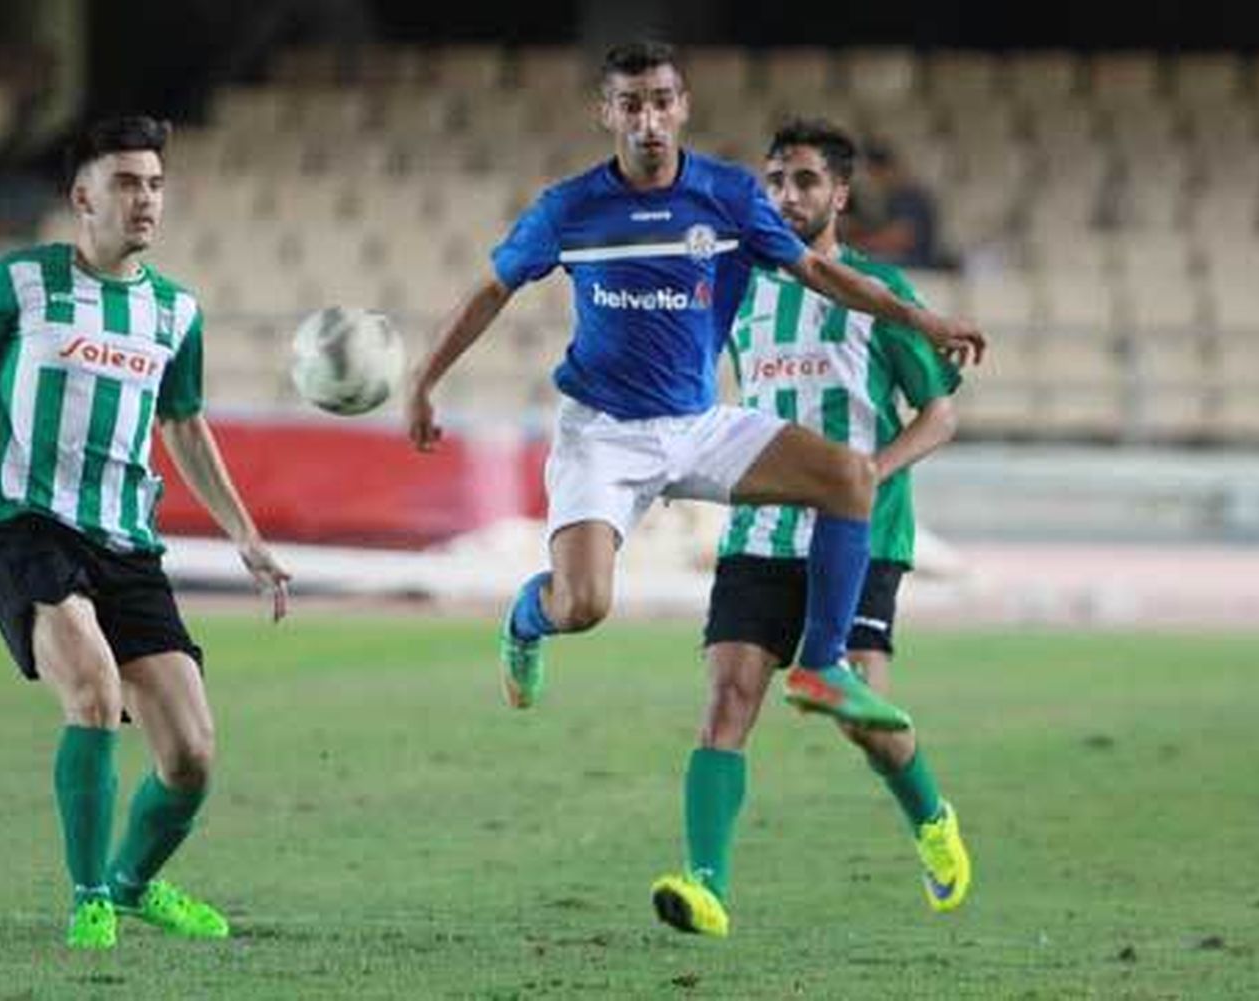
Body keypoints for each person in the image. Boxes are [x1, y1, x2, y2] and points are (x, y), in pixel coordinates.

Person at [405, 43, 984, 734]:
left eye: (659, 101)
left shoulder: (729, 195)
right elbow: (491, 290)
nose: (647, 118)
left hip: (697, 423)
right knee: (583, 605)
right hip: (604, 432)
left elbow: (820, 272)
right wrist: (423, 381)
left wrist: (919, 317)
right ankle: (527, 619)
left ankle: (822, 666)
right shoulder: (571, 208)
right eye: (631, 103)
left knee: (850, 478)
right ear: (607, 113)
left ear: (681, 107)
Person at [0, 115, 291, 951]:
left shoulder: (176, 312)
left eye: (154, 183)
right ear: (82, 196)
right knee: (92, 687)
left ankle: (131, 884)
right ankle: (87, 897)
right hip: (28, 527)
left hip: (127, 544)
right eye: (126, 182)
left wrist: (247, 537)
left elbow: (185, 426)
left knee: (192, 753)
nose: (145, 198)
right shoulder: (23, 281)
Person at [650, 118, 971, 937]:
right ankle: (705, 885)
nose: (788, 196)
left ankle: (933, 820)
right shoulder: (740, 289)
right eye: (776, 182)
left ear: (840, 194)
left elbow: (940, 415)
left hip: (861, 538)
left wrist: (869, 477)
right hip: (759, 534)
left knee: (866, 721)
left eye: (804, 182)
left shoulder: (875, 293)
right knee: (727, 698)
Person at [845, 138, 950, 270]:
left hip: (918, 266)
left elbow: (901, 238)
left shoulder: (910, 194)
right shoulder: (892, 197)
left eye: (874, 173)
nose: (874, 181)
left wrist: (861, 244)